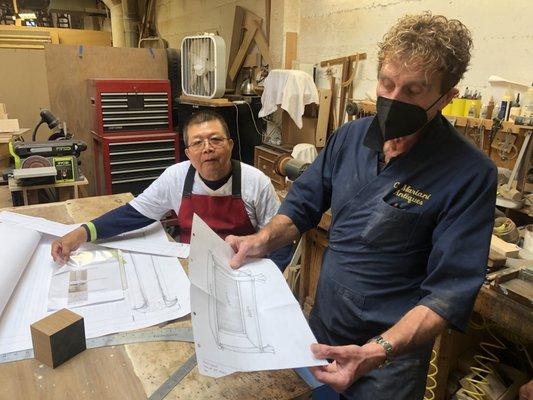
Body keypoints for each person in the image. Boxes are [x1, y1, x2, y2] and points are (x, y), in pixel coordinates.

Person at [226, 12, 497, 399]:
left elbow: (448, 294)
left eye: (413, 91)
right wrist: (262, 239)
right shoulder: (349, 138)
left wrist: (376, 351)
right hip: (323, 331)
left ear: (446, 97)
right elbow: (302, 204)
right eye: (386, 83)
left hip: (389, 360)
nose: (393, 98)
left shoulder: (469, 173)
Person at [51, 110, 289, 268]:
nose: (207, 148)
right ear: (188, 153)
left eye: (216, 139)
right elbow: (132, 215)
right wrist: (80, 234)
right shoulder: (176, 177)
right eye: (197, 142)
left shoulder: (256, 182)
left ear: (230, 144)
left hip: (242, 268)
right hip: (191, 266)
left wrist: (270, 281)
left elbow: (280, 241)